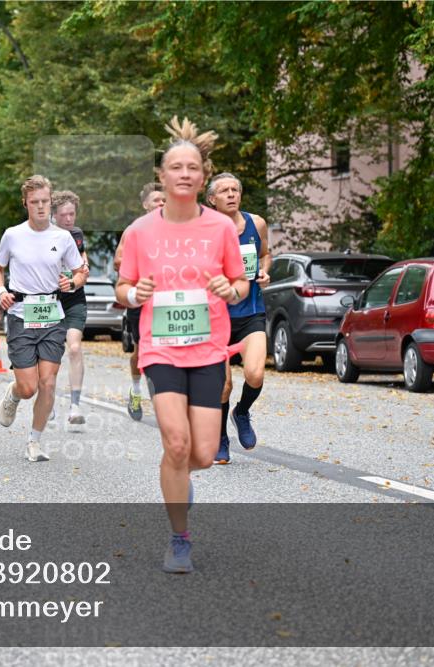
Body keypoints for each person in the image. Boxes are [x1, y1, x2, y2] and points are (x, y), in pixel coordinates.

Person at [116, 116, 248, 573]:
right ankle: (179, 539)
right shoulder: (140, 231)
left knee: (203, 456)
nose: (185, 174)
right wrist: (136, 295)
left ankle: (179, 478)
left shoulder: (221, 228)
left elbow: (240, 282)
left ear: (204, 175)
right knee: (175, 444)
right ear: (162, 175)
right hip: (161, 349)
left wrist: (232, 291)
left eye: (193, 167)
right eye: (176, 167)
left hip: (209, 349)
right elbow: (123, 287)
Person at [0, 175, 83, 463]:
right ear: (26, 203)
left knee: (48, 383)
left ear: (50, 201)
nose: (41, 207)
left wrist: (74, 282)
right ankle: (15, 393)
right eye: (35, 202)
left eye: (45, 201)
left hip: (53, 315)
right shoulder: (13, 235)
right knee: (29, 386)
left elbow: (80, 271)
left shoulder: (62, 237)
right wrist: (1, 289)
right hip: (21, 316)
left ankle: (34, 441)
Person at [207, 173, 272, 463]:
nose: (231, 194)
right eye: (224, 190)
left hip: (251, 313)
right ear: (212, 199)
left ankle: (242, 411)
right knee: (222, 386)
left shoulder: (256, 223)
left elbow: (266, 254)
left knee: (255, 374)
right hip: (216, 318)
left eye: (235, 189)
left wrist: (265, 272)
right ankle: (220, 437)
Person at [114, 183, 166, 420]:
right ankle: (136, 391)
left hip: (167, 300)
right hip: (142, 299)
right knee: (141, 350)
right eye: (157, 200)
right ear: (145, 205)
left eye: (165, 199)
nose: (162, 203)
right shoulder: (135, 230)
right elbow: (118, 261)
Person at [51, 190, 91, 425]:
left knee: (74, 348)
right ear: (54, 215)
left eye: (72, 214)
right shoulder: (44, 235)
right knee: (50, 355)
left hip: (74, 298)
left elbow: (82, 258)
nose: (69, 219)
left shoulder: (76, 234)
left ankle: (75, 405)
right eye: (63, 215)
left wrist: (83, 266)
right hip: (49, 301)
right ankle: (49, 402)